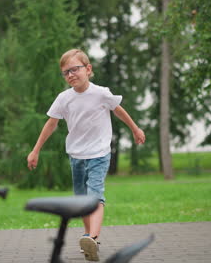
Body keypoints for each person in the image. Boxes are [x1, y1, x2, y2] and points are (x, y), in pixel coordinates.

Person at [27, 49, 145, 261]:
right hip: (76, 156)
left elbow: (118, 110)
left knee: (95, 195)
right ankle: (90, 239)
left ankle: (92, 236)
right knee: (81, 200)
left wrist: (135, 129)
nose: (71, 74)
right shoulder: (64, 98)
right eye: (66, 72)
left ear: (88, 69)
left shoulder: (101, 93)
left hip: (99, 153)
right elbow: (51, 123)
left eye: (75, 69)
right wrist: (35, 150)